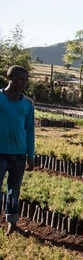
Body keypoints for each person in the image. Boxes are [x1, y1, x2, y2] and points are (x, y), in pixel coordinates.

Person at [0, 65, 35, 236]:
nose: (23, 83)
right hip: (1, 152)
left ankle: (12, 223)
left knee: (14, 191)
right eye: (21, 79)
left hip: (19, 154)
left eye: (26, 80)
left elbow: (30, 131)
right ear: (10, 77)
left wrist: (31, 155)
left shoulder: (27, 104)